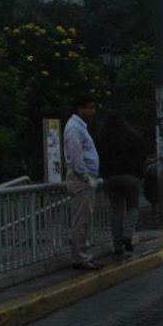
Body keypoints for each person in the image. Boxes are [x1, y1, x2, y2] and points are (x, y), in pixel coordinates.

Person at [98, 112, 145, 257]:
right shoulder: (133, 135)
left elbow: (98, 157)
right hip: (131, 176)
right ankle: (128, 234)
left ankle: (117, 245)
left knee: (116, 209)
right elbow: (141, 156)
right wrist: (139, 174)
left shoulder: (102, 137)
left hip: (110, 177)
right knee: (133, 206)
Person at [64, 95, 102, 270]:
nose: (92, 111)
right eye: (90, 108)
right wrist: (87, 178)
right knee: (82, 220)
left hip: (84, 178)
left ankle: (83, 256)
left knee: (85, 219)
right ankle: (80, 257)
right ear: (80, 108)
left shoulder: (79, 127)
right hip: (81, 180)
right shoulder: (74, 129)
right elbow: (76, 156)